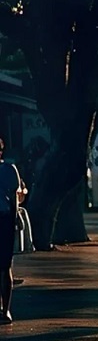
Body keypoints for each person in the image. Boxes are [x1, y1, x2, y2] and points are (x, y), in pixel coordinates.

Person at [0, 137, 22, 325]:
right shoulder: (8, 170)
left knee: (5, 266)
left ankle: (6, 308)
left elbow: (14, 199)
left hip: (4, 219)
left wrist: (14, 221)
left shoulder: (8, 170)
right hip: (5, 219)